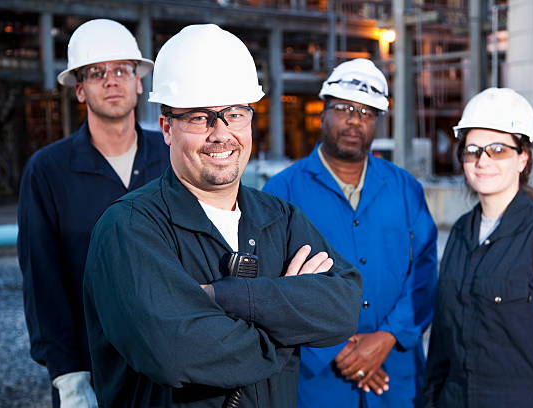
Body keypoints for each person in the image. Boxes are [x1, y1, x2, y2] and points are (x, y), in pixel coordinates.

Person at [82, 24, 363, 407]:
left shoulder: (278, 218)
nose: (221, 134)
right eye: (200, 118)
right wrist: (285, 325)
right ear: (167, 128)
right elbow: (176, 354)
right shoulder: (129, 229)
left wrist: (228, 297)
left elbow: (344, 306)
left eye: (234, 114)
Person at [264, 58, 438, 407]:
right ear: (323, 112)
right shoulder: (282, 191)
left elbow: (424, 271)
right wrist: (334, 349)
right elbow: (271, 286)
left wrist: (388, 337)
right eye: (343, 107)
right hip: (316, 383)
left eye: (367, 112)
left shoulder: (405, 188)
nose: (354, 119)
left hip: (395, 377)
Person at [17, 19, 170, 408]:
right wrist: (67, 378)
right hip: (92, 373)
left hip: (171, 364)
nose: (112, 80)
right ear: (80, 90)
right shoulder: (48, 170)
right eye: (97, 73)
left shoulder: (172, 159)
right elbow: (42, 281)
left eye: (122, 69)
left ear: (139, 82)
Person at [424, 87, 533, 407]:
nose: (482, 160)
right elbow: (441, 346)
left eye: (498, 149)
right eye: (472, 150)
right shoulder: (461, 233)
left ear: (523, 157)